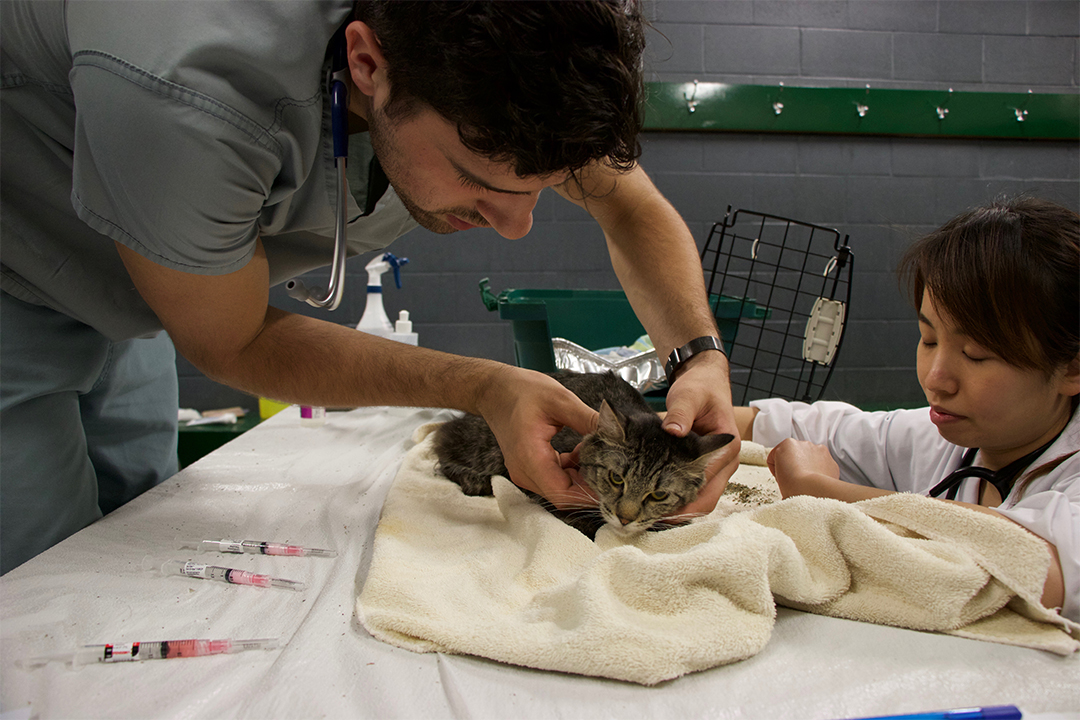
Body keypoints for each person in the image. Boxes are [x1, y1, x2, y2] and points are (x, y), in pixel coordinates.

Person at [0, 0, 740, 573]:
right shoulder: (189, 91)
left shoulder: (512, 75)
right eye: (478, 181)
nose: (515, 227)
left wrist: (699, 357)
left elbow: (629, 206)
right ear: (367, 64)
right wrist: (484, 386)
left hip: (140, 297)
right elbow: (234, 339)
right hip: (18, 270)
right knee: (46, 576)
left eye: (542, 187)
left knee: (134, 536)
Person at [729, 197, 1079, 622]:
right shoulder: (944, 440)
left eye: (976, 353)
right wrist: (689, 419)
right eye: (928, 339)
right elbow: (814, 427)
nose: (936, 378)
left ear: (1071, 368)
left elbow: (1038, 566)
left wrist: (820, 491)